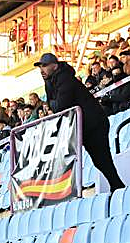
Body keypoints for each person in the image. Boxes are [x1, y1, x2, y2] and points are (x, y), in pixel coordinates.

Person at [36, 52, 125, 192]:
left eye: (45, 66)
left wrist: (51, 104)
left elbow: (60, 106)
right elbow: (53, 103)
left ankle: (117, 187)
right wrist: (52, 103)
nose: (41, 70)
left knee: (102, 160)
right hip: (84, 126)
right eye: (40, 67)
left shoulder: (65, 78)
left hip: (94, 124)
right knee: (100, 161)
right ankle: (117, 186)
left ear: (55, 66)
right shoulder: (50, 81)